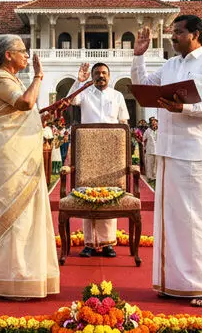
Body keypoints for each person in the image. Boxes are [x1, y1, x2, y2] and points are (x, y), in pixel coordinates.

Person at [132, 16, 202, 308]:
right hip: (170, 150)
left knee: (199, 220)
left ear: (195, 34)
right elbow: (142, 88)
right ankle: (172, 283)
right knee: (171, 220)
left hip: (199, 152)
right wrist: (139, 57)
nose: (173, 37)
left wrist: (184, 107)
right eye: (173, 32)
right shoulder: (170, 65)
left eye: (178, 32)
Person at [0, 34, 59, 299]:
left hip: (23, 155)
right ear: (8, 55)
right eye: (22, 51)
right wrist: (38, 77)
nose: (27, 55)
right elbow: (24, 103)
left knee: (28, 214)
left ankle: (29, 274)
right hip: (7, 155)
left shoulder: (14, 80)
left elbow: (25, 112)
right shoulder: (0, 78)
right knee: (11, 212)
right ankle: (9, 278)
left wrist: (44, 113)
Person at [69, 61, 130, 259]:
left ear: (109, 76)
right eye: (96, 73)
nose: (100, 76)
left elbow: (123, 123)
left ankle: (108, 243)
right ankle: (89, 243)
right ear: (92, 76)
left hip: (112, 152)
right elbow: (71, 101)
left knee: (110, 194)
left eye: (104, 73)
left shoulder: (117, 96)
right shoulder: (84, 94)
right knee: (88, 193)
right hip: (88, 150)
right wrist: (79, 81)